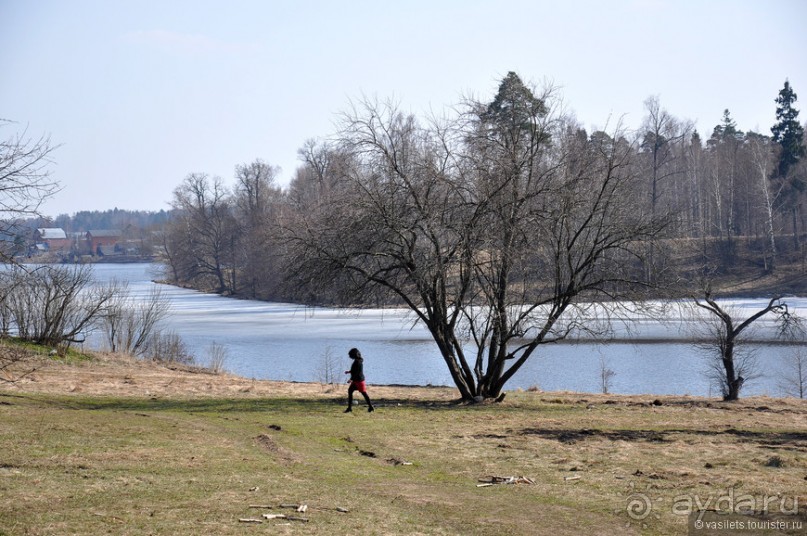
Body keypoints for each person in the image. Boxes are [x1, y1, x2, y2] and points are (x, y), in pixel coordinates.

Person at [344, 347, 375, 413]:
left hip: (359, 380)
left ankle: (371, 407)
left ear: (353, 355)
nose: (349, 356)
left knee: (364, 394)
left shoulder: (358, 362)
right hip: (356, 380)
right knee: (350, 391)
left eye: (350, 355)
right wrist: (349, 371)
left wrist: (351, 379)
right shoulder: (358, 360)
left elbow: (357, 372)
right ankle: (349, 408)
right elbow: (354, 370)